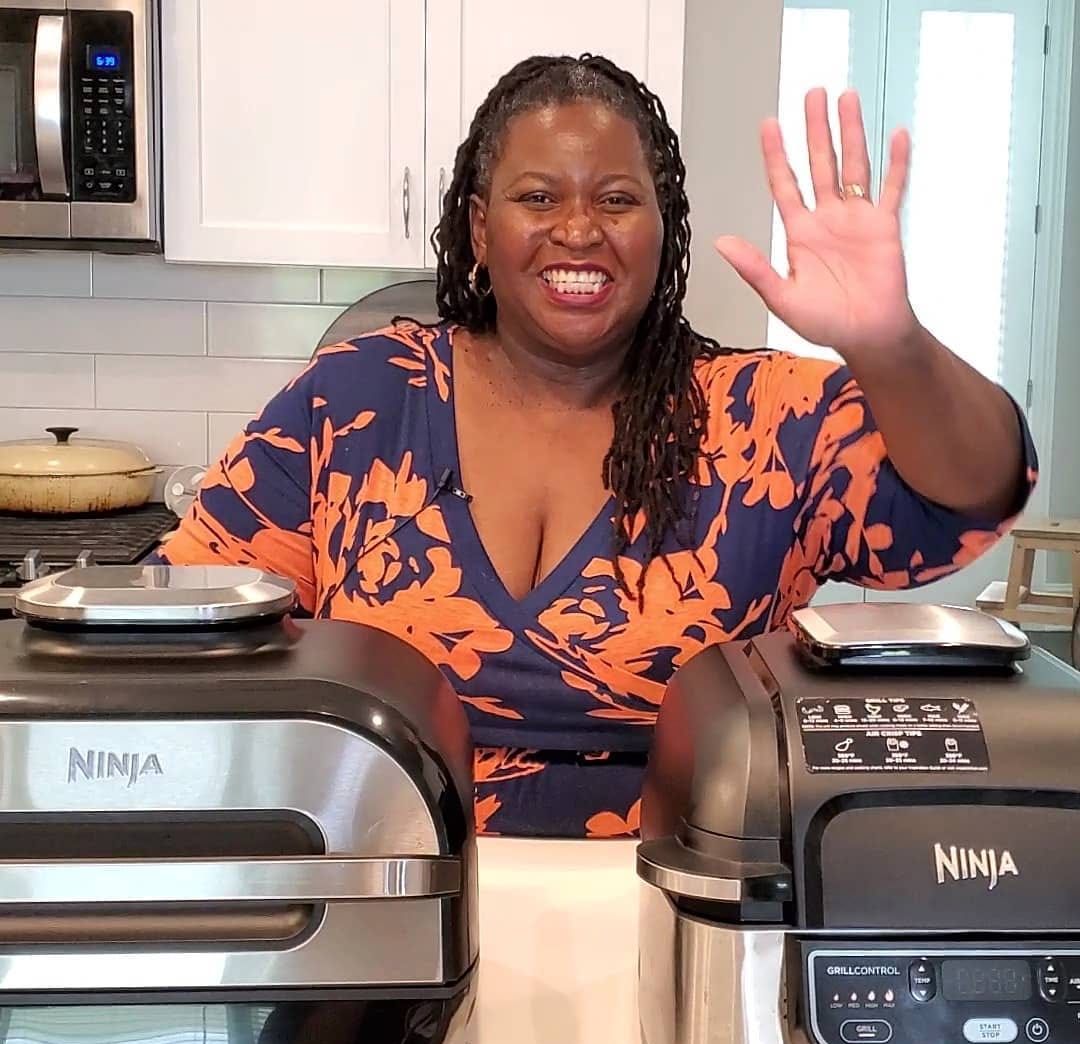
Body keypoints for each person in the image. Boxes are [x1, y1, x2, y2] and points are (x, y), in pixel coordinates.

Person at [154, 55, 1035, 838]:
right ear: (476, 226)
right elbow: (198, 619)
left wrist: (890, 344)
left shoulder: (766, 418)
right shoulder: (357, 399)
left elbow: (966, 501)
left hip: (680, 914)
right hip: (387, 899)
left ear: (665, 227)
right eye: (538, 197)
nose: (578, 231)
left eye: (617, 199)